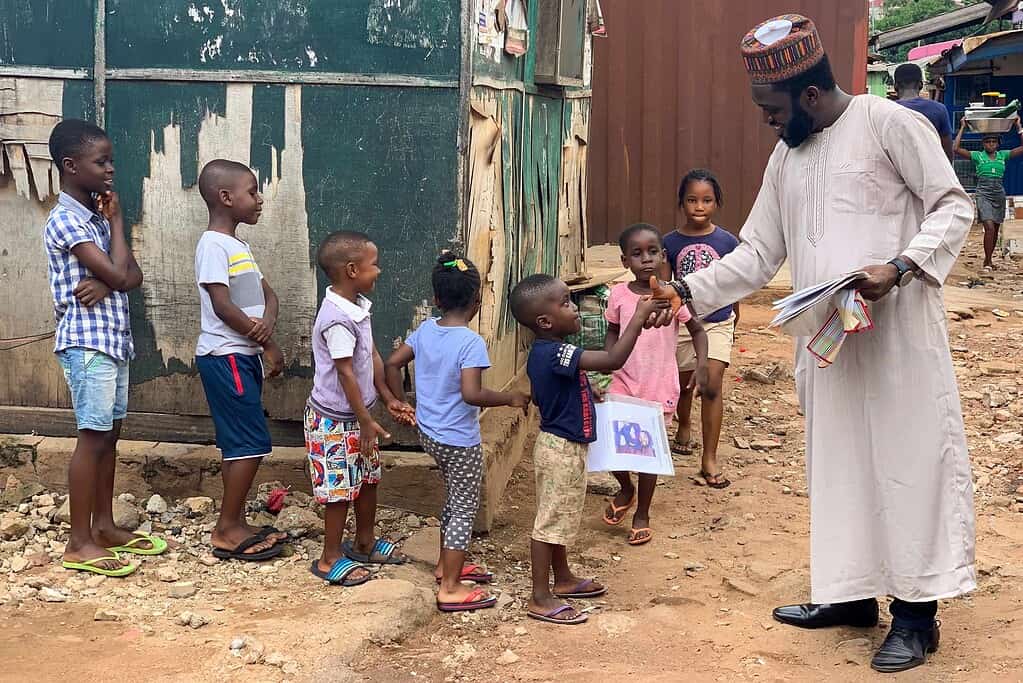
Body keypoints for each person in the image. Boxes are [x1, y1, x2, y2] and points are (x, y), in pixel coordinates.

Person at [654, 15, 975, 673]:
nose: (765, 122)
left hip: (898, 341)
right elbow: (757, 253)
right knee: (839, 465)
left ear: (805, 96)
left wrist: (901, 266)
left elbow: (952, 206)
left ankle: (916, 616)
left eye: (770, 109)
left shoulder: (890, 125)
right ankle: (850, 593)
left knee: (906, 463)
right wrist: (684, 294)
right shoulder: (786, 156)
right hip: (827, 342)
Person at [509, 273, 669, 625]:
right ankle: (539, 596)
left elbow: (545, 392)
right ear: (545, 321)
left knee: (563, 517)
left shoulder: (547, 354)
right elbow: (613, 360)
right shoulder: (557, 352)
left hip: (564, 447)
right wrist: (638, 318)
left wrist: (583, 391)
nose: (576, 308)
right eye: (566, 302)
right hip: (560, 450)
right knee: (550, 523)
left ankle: (562, 578)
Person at [44, 119, 165, 577]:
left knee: (110, 437)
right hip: (86, 344)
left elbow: (130, 277)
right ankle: (78, 542)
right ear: (71, 166)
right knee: (92, 438)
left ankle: (105, 525)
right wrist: (112, 271)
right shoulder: (65, 221)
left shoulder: (94, 217)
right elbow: (119, 276)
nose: (111, 169)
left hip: (111, 342)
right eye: (102, 162)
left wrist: (113, 229)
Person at [385, 252, 530, 611]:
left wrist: (400, 402)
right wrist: (510, 397)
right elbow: (472, 394)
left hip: (430, 434)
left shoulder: (425, 330)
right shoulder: (470, 343)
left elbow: (392, 363)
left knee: (455, 497)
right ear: (477, 302)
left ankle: (444, 565)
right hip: (458, 439)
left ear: (436, 299)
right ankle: (450, 585)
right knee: (464, 505)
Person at [305, 230, 415, 583]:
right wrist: (366, 421)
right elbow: (347, 373)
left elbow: (372, 355)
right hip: (334, 421)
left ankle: (365, 541)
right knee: (338, 491)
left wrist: (388, 398)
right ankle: (329, 557)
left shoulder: (358, 307)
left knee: (368, 479)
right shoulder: (337, 318)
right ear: (352, 270)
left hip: (359, 416)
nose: (378, 271)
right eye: (373, 265)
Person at [194, 159, 287, 562]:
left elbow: (270, 296)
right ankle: (227, 527)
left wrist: (266, 333)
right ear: (226, 198)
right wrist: (263, 339)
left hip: (242, 353)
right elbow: (221, 306)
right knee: (249, 443)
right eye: (252, 191)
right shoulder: (213, 245)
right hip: (226, 355)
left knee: (241, 444)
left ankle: (232, 522)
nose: (259, 199)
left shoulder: (239, 247)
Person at [601, 224, 711, 544]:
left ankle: (642, 512)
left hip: (658, 386)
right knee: (614, 446)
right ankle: (625, 487)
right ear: (624, 261)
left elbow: (700, 332)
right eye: (636, 254)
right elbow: (611, 330)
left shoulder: (670, 295)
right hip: (622, 380)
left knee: (646, 455)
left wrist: (702, 365)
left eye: (652, 252)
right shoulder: (618, 295)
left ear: (663, 256)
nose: (645, 259)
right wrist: (609, 359)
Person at [664, 170, 739, 489]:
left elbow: (736, 281)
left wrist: (736, 315)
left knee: (711, 383)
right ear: (681, 203)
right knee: (682, 385)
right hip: (682, 322)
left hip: (718, 320)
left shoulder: (727, 241)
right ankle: (684, 423)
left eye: (707, 200)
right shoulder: (669, 242)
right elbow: (667, 286)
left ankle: (709, 458)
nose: (699, 206)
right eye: (692, 200)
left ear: (717, 204)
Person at [953, 117, 1023, 269]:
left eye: (993, 142)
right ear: (983, 144)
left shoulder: (1002, 155)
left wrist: (1018, 125)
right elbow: (956, 149)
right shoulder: (978, 156)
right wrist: (963, 127)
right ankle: (988, 261)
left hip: (998, 192)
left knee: (996, 228)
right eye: (987, 142)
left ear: (998, 144)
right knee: (989, 227)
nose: (991, 144)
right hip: (983, 192)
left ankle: (988, 259)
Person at [894, 63, 953, 160]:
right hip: (929, 170)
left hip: (896, 171)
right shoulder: (939, 109)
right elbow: (947, 149)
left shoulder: (885, 110)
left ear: (896, 86)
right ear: (920, 85)